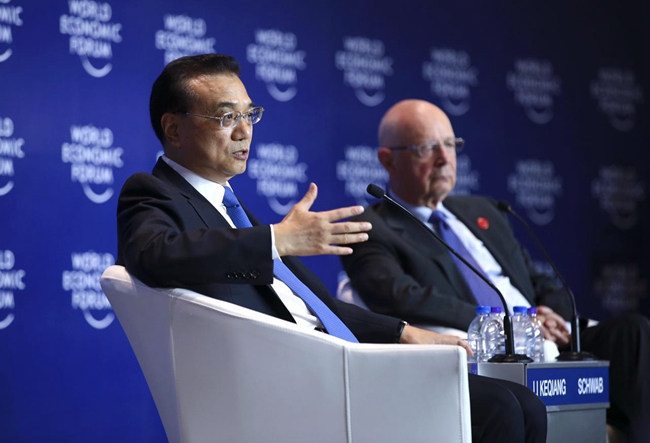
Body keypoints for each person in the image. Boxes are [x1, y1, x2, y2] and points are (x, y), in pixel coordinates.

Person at [116, 54, 547, 443]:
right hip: (297, 384)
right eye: (226, 117)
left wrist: (403, 332)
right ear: (173, 129)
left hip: (343, 363)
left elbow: (315, 307)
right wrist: (276, 239)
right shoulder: (152, 192)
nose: (245, 131)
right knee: (501, 409)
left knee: (526, 404)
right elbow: (154, 254)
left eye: (249, 114)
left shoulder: (232, 208)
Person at [341, 98, 650, 443]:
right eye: (427, 148)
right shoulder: (371, 228)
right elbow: (399, 297)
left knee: (632, 333)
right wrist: (507, 323)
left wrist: (546, 315)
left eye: (450, 144)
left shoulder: (482, 210)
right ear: (388, 160)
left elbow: (540, 281)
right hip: (488, 350)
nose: (445, 158)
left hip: (544, 336)